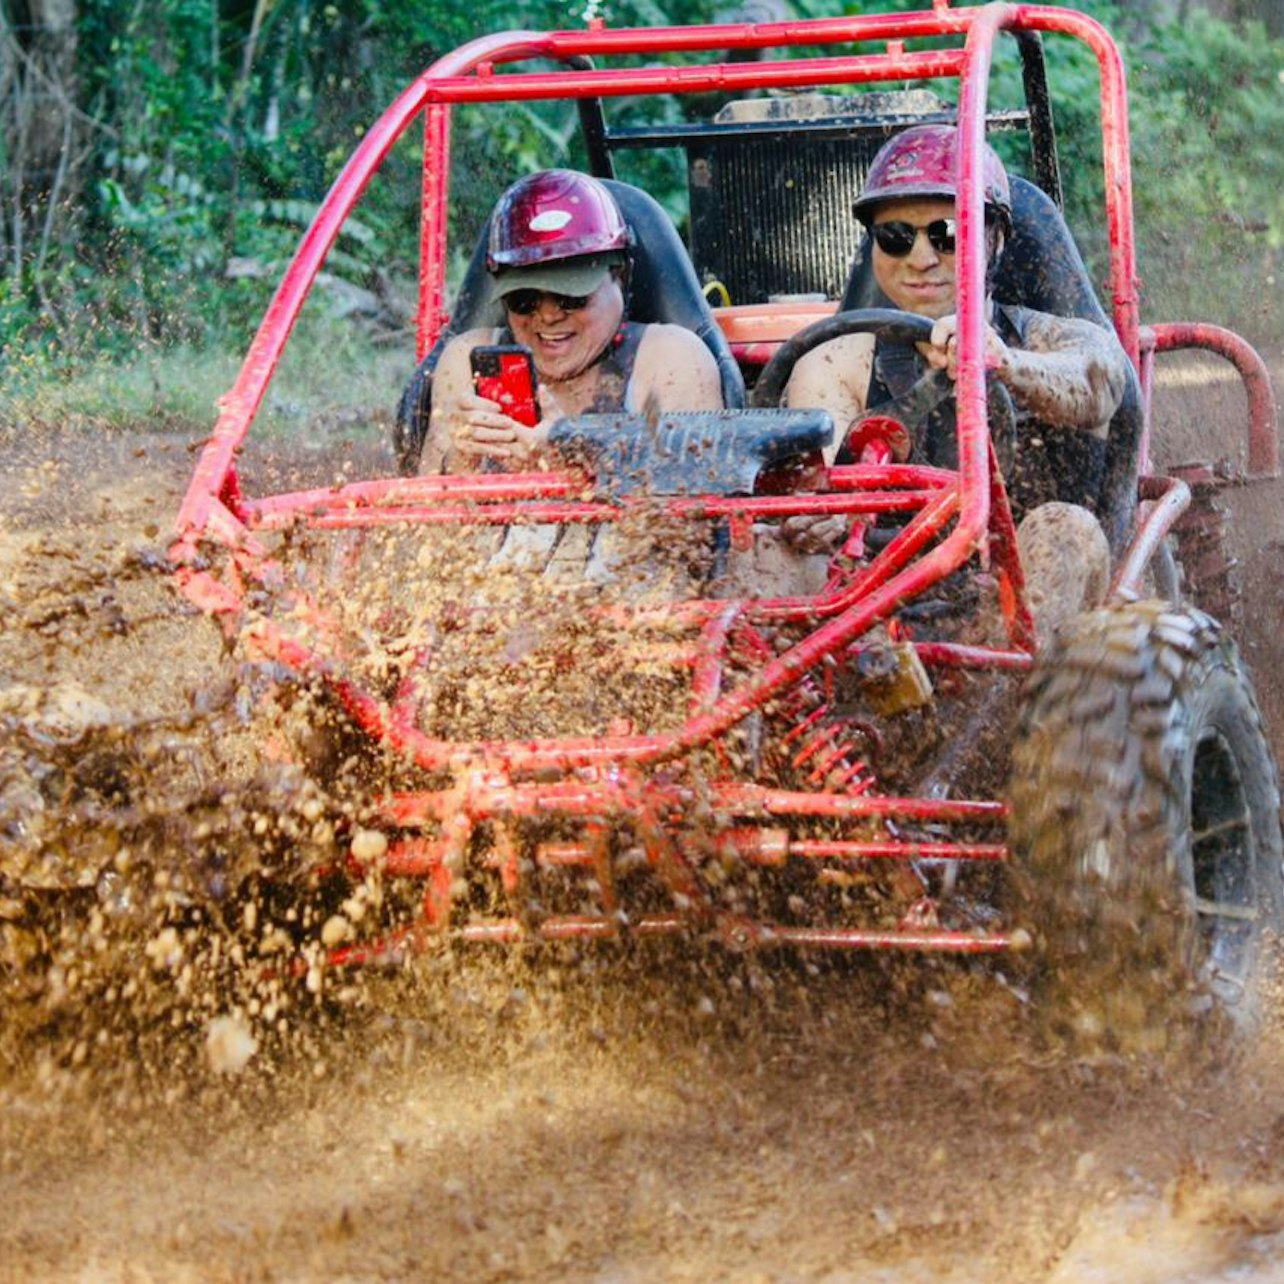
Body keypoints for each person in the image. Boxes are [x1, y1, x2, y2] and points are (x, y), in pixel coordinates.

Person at [784, 124, 1130, 641]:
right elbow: (817, 480)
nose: (920, 259)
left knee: (1066, 531)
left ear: (995, 238)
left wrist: (1005, 363)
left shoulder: (1050, 338)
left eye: (947, 235)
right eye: (896, 238)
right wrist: (817, 518)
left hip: (1024, 596)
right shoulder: (838, 359)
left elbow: (1098, 382)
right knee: (774, 548)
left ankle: (1008, 709)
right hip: (879, 596)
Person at [422, 169, 725, 474]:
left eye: (571, 297)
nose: (549, 316)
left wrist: (573, 456)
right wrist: (461, 461)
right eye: (524, 299)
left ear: (620, 276)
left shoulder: (670, 360)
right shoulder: (465, 361)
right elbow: (422, 514)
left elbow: (696, 508)